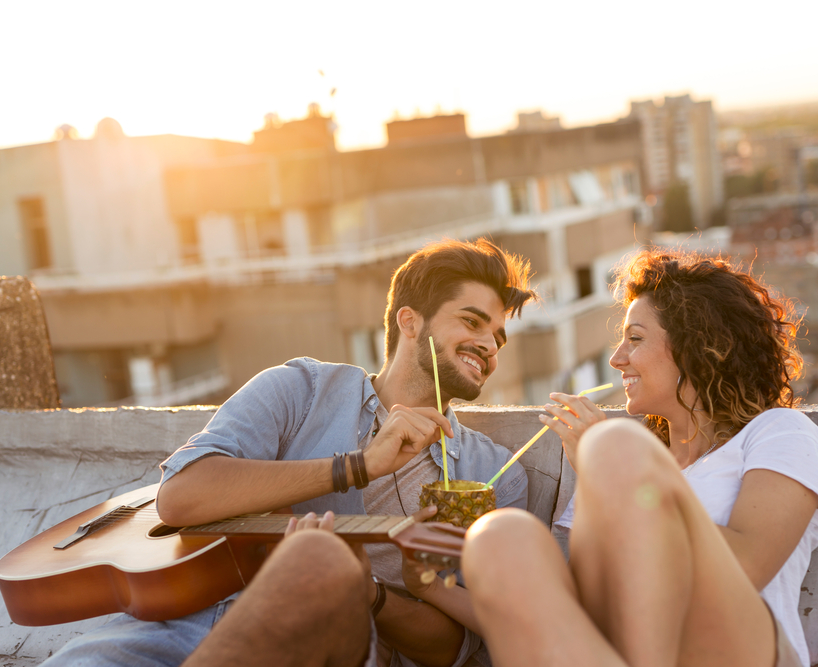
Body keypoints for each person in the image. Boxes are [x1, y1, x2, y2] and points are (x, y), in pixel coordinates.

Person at [42, 238, 537, 667]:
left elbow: (461, 650)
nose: (489, 345)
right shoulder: (301, 389)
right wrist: (357, 466)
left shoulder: (494, 474)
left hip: (345, 643)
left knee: (319, 560)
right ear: (410, 322)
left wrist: (374, 595)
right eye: (472, 322)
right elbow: (181, 497)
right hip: (190, 621)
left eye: (497, 336)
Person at [460, 249, 818, 667]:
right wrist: (427, 587)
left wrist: (621, 478)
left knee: (616, 447)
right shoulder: (624, 463)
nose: (617, 359)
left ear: (697, 348)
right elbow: (566, 615)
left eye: (636, 339)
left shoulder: (778, 432)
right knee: (500, 537)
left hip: (736, 649)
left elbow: (747, 570)